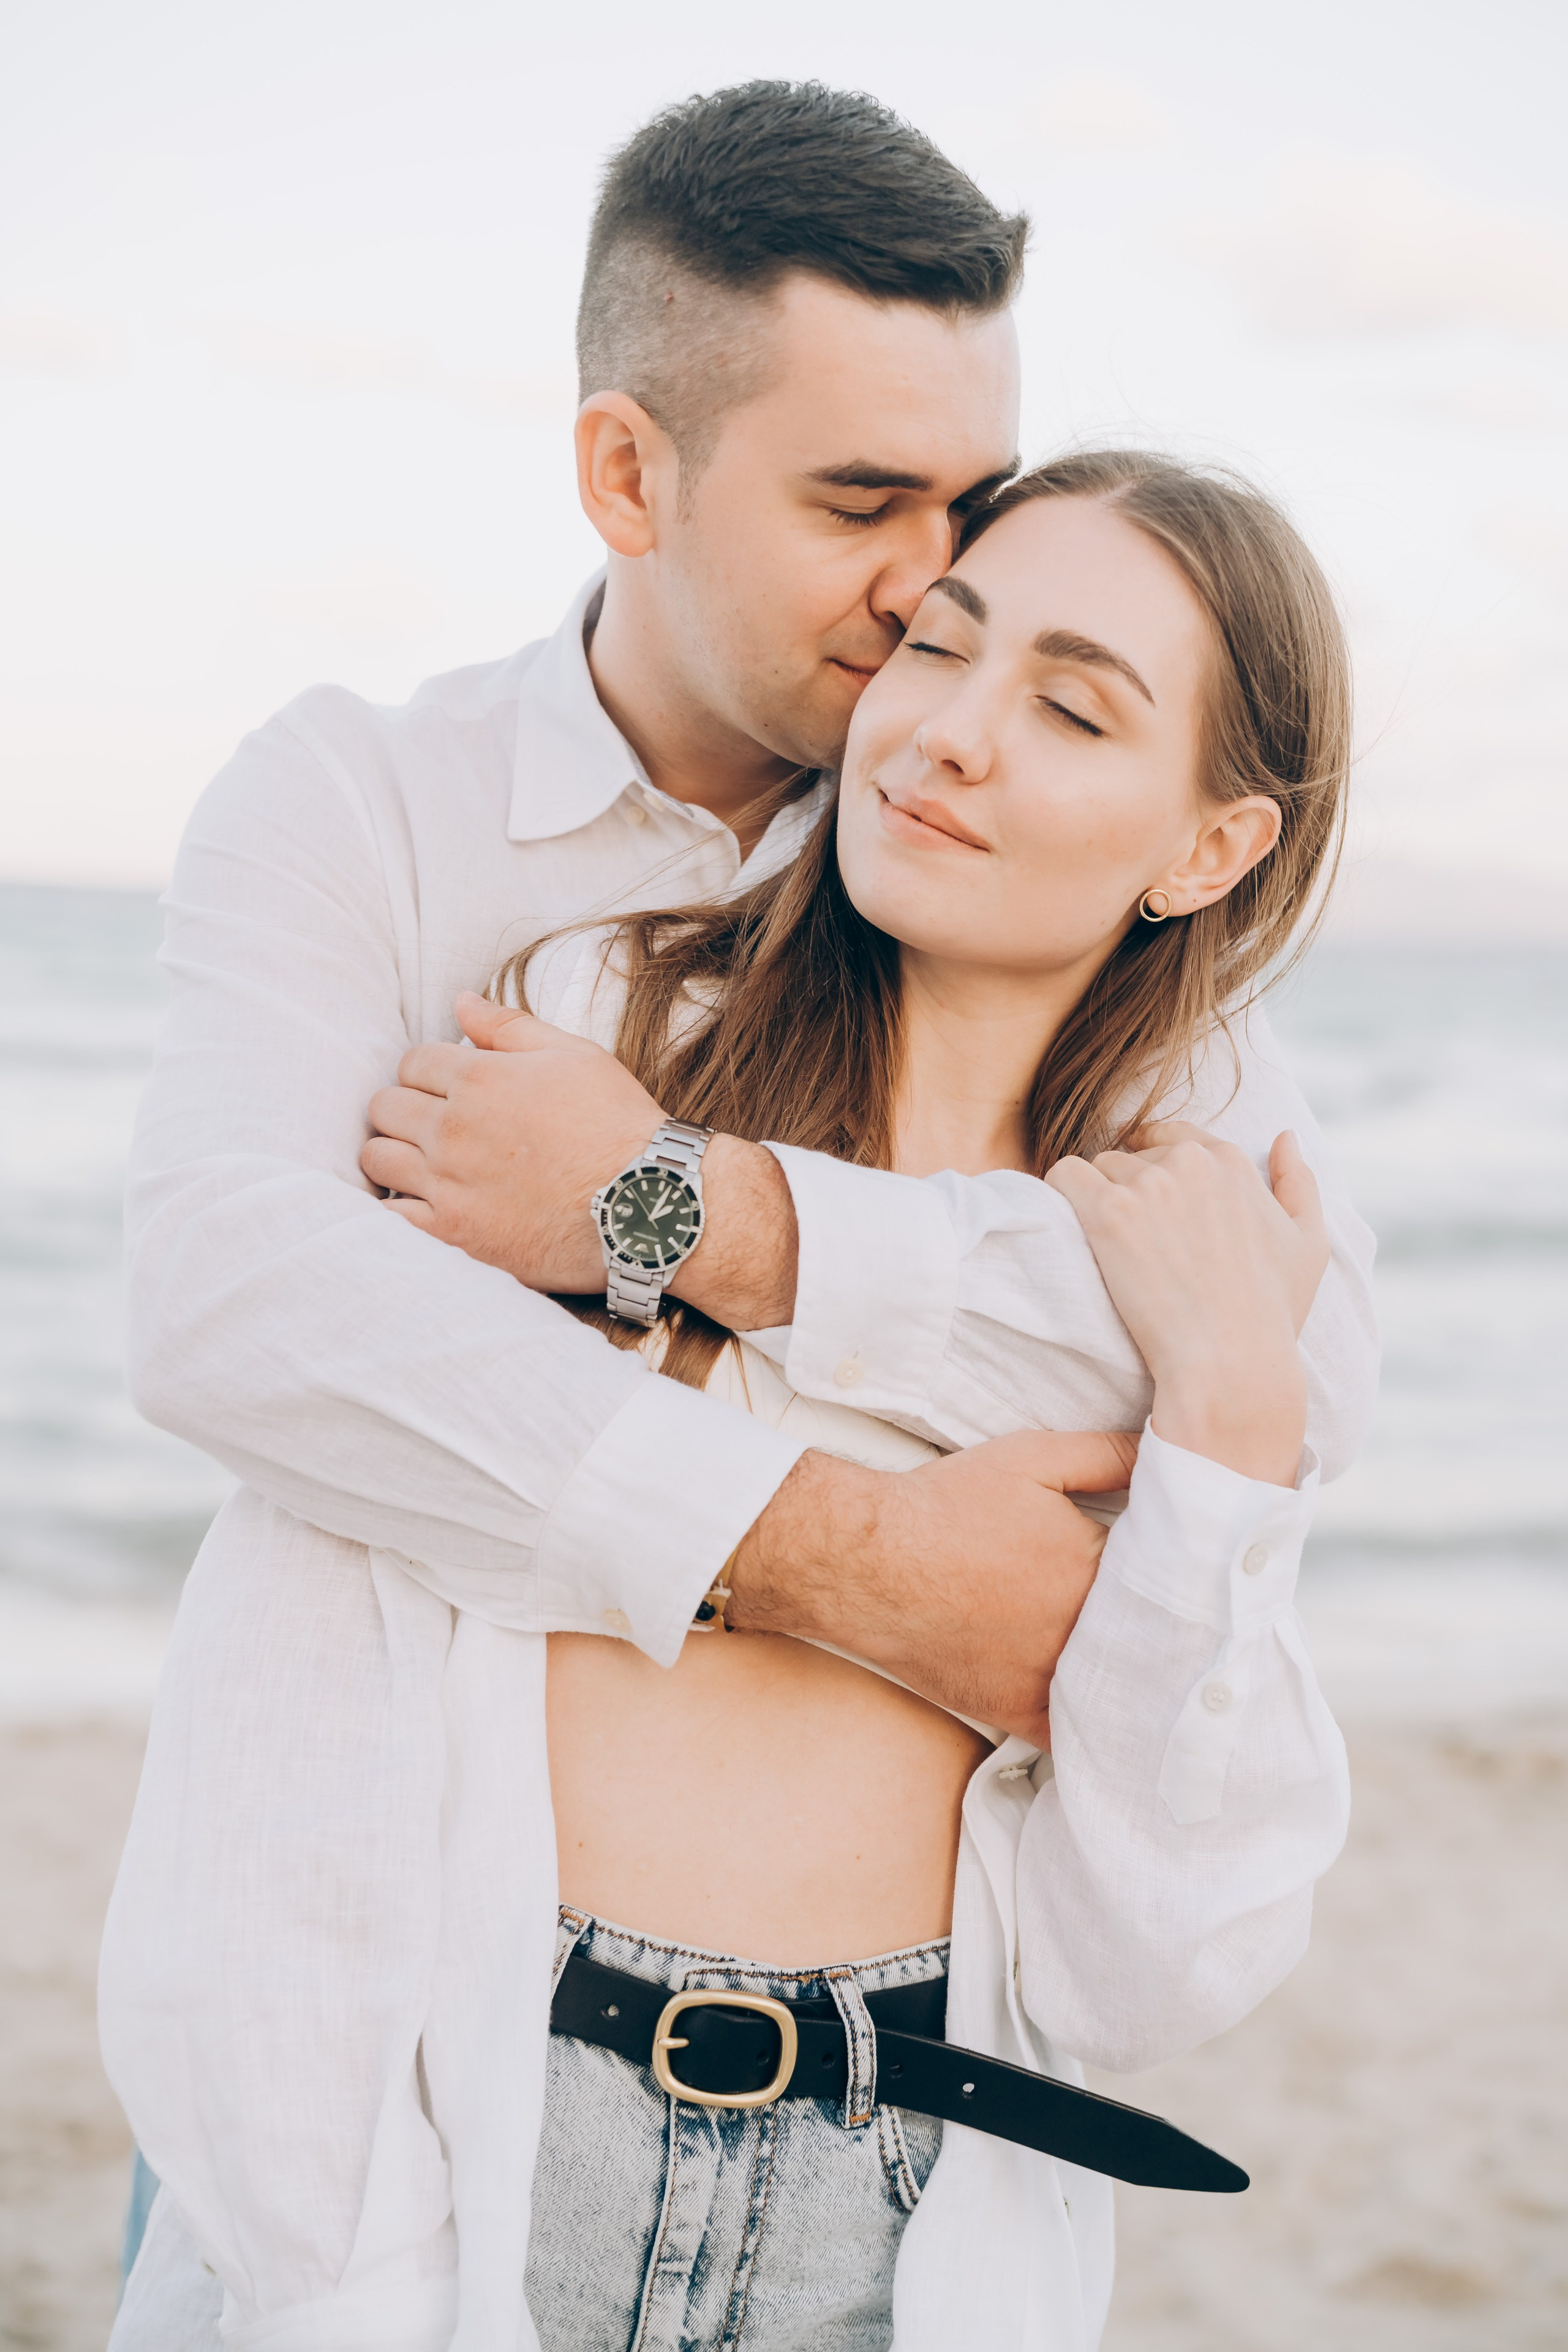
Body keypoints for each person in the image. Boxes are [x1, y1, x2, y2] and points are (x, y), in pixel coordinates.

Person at [104, 447, 1372, 2351]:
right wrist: (328, 2266)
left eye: (1072, 709)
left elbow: (1153, 1971)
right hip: (480, 2131)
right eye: (939, 647)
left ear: (1207, 851)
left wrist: (1237, 1428)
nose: (949, 734)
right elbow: (318, 1621)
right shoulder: (582, 1033)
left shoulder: (1175, 1263)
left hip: (890, 2188)